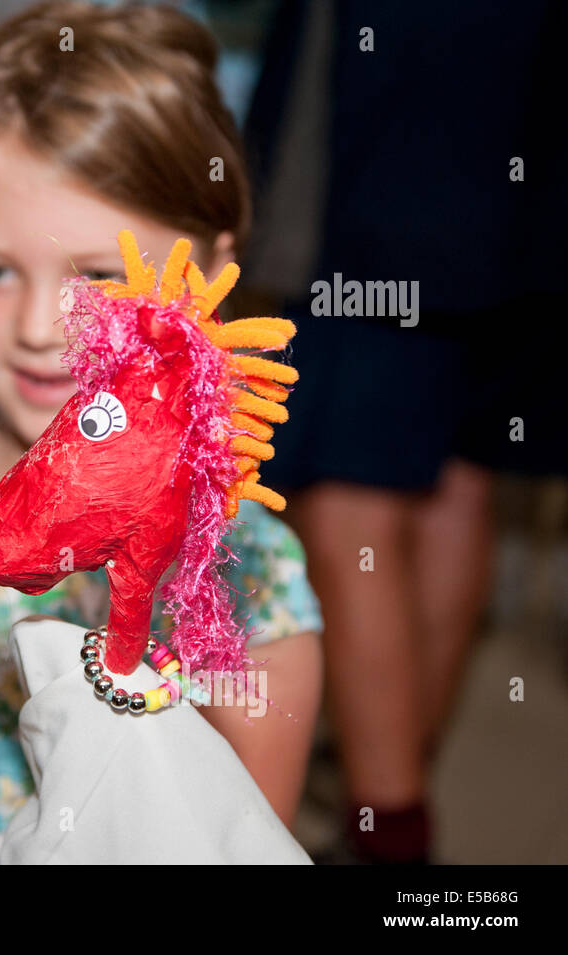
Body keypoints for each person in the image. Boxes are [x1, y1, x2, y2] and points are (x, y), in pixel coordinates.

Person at [0, 0, 324, 864]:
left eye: (100, 275)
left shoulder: (242, 586)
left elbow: (235, 841)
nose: (42, 325)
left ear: (215, 274)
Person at [243, 0, 566, 864]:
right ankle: (387, 787)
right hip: (528, 170)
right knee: (455, 482)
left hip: (399, 159)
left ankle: (389, 832)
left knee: (348, 496)